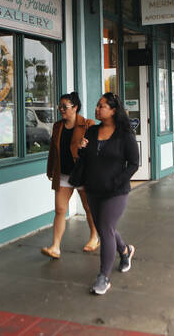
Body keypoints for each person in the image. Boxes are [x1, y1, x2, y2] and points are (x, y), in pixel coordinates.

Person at [78, 93, 139, 295]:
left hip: (116, 191)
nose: (97, 109)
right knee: (105, 228)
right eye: (97, 105)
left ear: (113, 110)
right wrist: (81, 149)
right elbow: (87, 158)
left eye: (101, 106)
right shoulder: (92, 131)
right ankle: (125, 251)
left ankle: (103, 277)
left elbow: (133, 164)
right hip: (93, 189)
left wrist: (117, 182)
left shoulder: (125, 134)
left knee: (105, 229)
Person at [41, 92, 100, 259]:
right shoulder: (57, 126)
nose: (61, 109)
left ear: (75, 108)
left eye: (64, 107)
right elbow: (53, 150)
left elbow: (96, 150)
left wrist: (85, 146)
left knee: (88, 208)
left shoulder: (88, 125)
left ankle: (94, 237)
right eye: (59, 106)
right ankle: (55, 247)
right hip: (64, 174)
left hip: (82, 173)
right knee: (60, 210)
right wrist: (50, 170)